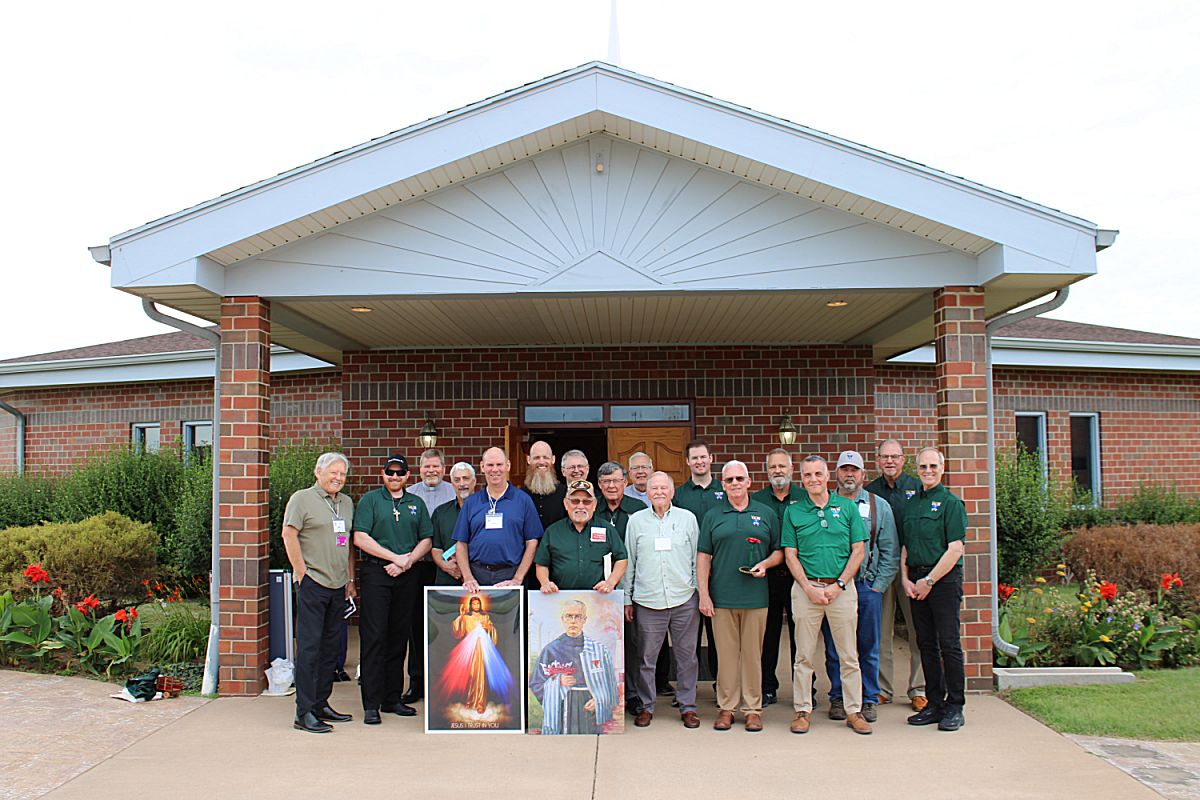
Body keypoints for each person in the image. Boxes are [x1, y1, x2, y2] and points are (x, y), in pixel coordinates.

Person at [783, 455, 872, 736]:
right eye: (808, 475)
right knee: (803, 656)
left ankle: (854, 710)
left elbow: (858, 550)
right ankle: (802, 710)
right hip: (806, 590)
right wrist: (808, 587)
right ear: (802, 479)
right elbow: (790, 554)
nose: (813, 480)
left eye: (818, 474)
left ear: (826, 476)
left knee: (849, 654)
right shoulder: (794, 512)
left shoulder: (846, 507)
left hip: (841, 590)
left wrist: (840, 584)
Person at [697, 460, 781, 732]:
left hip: (756, 597)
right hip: (722, 598)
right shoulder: (713, 516)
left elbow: (779, 551)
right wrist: (704, 595)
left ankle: (753, 709)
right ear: (723, 485)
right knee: (726, 656)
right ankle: (727, 707)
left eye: (739, 479)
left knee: (753, 656)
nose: (735, 483)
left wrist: (765, 564)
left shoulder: (766, 513)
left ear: (748, 482)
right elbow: (703, 557)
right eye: (729, 480)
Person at [352, 454, 432, 725]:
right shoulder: (371, 500)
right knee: (375, 637)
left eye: (400, 472)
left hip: (407, 574)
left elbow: (426, 539)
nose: (395, 477)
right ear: (383, 474)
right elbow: (360, 537)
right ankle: (371, 703)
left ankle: (392, 697)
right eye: (390, 472)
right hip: (377, 573)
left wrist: (406, 562)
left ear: (408, 475)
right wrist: (393, 558)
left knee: (399, 637)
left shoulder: (416, 503)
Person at [821, 451, 898, 724]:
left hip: (866, 586)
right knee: (835, 646)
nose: (849, 474)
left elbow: (890, 551)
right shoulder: (824, 505)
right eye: (844, 469)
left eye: (854, 470)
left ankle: (867, 698)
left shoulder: (879, 507)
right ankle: (838, 697)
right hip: (834, 588)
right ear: (836, 474)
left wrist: (878, 587)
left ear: (863, 474)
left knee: (868, 645)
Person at [281, 452, 356, 733]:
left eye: (342, 474)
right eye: (333, 472)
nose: (338, 478)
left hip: (338, 585)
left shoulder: (345, 502)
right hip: (313, 583)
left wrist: (349, 578)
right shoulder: (302, 499)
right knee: (310, 649)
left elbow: (347, 542)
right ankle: (304, 712)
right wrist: (302, 574)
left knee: (329, 649)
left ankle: (321, 703)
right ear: (318, 472)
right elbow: (289, 534)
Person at [622, 472, 702, 729]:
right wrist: (627, 598)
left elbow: (697, 558)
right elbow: (629, 562)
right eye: (654, 488)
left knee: (687, 657)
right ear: (647, 492)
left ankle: (688, 706)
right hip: (648, 600)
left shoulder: (687, 519)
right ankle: (646, 706)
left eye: (663, 487)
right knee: (646, 659)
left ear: (672, 491)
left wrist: (697, 591)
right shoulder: (636, 521)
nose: (658, 492)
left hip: (683, 599)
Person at [901, 447, 968, 732]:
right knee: (925, 643)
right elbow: (906, 546)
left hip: (943, 581)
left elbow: (955, 549)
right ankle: (934, 704)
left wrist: (929, 581)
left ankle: (955, 706)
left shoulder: (951, 503)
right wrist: (905, 579)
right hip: (916, 580)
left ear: (942, 468)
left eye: (933, 466)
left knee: (949, 644)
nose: (927, 471)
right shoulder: (912, 504)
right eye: (923, 467)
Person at [866, 439, 927, 711]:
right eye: (884, 457)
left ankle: (919, 689)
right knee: (880, 629)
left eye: (895, 456)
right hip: (880, 568)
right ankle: (882, 689)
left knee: (918, 628)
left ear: (903, 460)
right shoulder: (870, 492)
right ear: (877, 460)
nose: (889, 461)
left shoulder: (917, 488)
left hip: (910, 568)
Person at [399, 448, 454, 704]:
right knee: (416, 626)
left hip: (447, 569)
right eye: (426, 466)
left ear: (443, 468)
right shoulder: (410, 495)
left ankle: (445, 681)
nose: (431, 471)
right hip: (418, 567)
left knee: (446, 625)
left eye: (435, 466)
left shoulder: (454, 493)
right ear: (419, 470)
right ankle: (417, 682)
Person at [749, 448, 803, 706]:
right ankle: (767, 687)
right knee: (767, 635)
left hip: (799, 577)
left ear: (791, 469)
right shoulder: (757, 500)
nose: (778, 471)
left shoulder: (804, 497)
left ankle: (804, 689)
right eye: (773, 467)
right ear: (766, 470)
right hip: (767, 577)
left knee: (801, 636)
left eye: (782, 466)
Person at [453, 447, 543, 590]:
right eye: (490, 465)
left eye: (499, 464)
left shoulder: (523, 500)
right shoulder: (471, 503)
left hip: (511, 574)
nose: (495, 469)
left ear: (508, 466)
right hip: (477, 576)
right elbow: (461, 543)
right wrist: (468, 577)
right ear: (482, 467)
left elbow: (532, 542)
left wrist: (517, 578)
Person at [675, 439, 725, 687]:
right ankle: (688, 688)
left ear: (711, 459)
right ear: (687, 462)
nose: (699, 461)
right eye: (694, 458)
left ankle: (721, 685)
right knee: (688, 637)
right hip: (687, 573)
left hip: (720, 572)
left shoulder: (725, 489)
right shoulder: (679, 494)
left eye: (703, 457)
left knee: (719, 635)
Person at [529, 599, 620, 734]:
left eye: (577, 616)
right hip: (563, 705)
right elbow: (536, 683)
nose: (573, 621)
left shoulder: (599, 650)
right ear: (563, 619)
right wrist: (557, 682)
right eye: (569, 616)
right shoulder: (551, 650)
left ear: (584, 619)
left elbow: (611, 684)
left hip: (590, 705)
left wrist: (599, 700)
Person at [535, 480, 628, 593]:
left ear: (594, 505)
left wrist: (611, 582)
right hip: (561, 596)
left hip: (598, 596)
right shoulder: (553, 531)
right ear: (566, 504)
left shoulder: (606, 529)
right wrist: (545, 583)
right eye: (575, 501)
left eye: (586, 502)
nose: (580, 506)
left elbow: (622, 558)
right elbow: (541, 564)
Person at [440, 594, 512, 714]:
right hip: (469, 649)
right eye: (474, 603)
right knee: (470, 676)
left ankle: (480, 703)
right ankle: (470, 700)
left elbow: (493, 634)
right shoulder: (466, 618)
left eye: (478, 603)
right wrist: (461, 616)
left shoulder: (485, 617)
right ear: (470, 605)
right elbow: (458, 632)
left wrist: (489, 628)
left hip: (482, 648)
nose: (476, 605)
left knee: (481, 675)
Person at [431, 462, 476, 586]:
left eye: (465, 478)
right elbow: (436, 547)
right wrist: (445, 565)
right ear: (452, 483)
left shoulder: (487, 510)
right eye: (457, 480)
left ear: (474, 481)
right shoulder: (440, 512)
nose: (462, 484)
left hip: (479, 579)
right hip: (448, 580)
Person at [524, 440, 567, 531]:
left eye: (545, 457)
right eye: (536, 458)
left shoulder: (565, 493)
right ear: (528, 460)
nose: (541, 461)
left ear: (553, 459)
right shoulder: (520, 495)